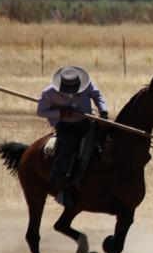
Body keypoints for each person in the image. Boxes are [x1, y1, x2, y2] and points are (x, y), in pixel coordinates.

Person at [37, 66, 108, 207]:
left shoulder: (87, 85)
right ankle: (61, 184)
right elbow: (41, 111)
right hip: (65, 127)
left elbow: (97, 95)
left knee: (108, 140)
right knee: (67, 149)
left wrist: (103, 111)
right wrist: (60, 113)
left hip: (86, 122)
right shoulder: (49, 93)